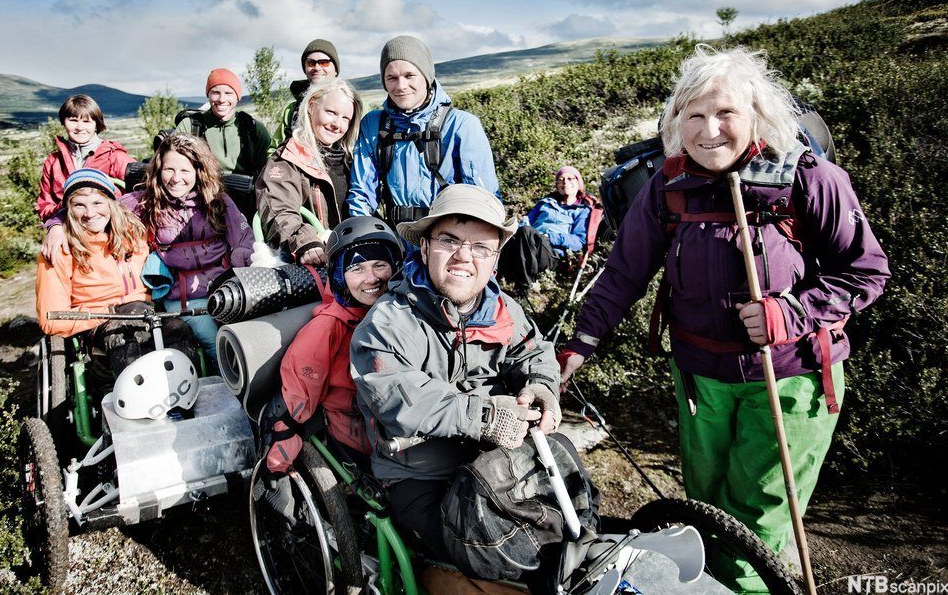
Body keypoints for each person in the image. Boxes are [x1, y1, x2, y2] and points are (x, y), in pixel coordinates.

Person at [558, 45, 890, 592]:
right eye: (694, 115)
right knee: (705, 517)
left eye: (725, 113)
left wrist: (792, 312)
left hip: (790, 378)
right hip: (700, 381)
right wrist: (580, 345)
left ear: (756, 113)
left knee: (755, 529)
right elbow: (622, 274)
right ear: (675, 123)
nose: (709, 130)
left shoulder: (811, 179)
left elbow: (866, 272)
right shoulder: (668, 188)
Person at [350, 184, 562, 567]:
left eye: (481, 246)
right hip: (419, 474)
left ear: (495, 259)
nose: (464, 256)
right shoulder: (387, 323)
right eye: (449, 240)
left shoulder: (502, 308)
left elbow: (533, 352)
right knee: (496, 559)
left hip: (499, 461)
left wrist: (542, 387)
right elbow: (400, 397)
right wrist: (484, 416)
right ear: (426, 247)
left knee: (564, 530)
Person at [265, 216, 403, 475]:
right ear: (339, 275)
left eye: (380, 265)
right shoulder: (327, 328)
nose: (371, 278)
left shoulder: (405, 314)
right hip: (355, 436)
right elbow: (298, 397)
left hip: (401, 429)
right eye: (357, 269)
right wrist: (278, 460)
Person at [36, 168, 196, 380]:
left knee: (179, 329)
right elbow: (51, 319)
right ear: (67, 210)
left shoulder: (133, 233)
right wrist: (108, 311)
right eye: (79, 205)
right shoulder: (59, 249)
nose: (90, 213)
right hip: (100, 322)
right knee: (124, 335)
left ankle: (186, 396)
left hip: (145, 312)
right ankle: (138, 405)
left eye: (98, 203)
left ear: (111, 204)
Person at [123, 134, 254, 364]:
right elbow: (99, 207)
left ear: (198, 171)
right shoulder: (147, 202)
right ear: (158, 169)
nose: (176, 179)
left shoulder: (217, 201)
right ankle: (228, 388)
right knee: (217, 340)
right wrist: (55, 225)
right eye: (169, 169)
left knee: (247, 335)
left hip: (222, 288)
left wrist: (240, 268)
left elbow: (244, 239)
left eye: (185, 171)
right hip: (182, 296)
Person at [346, 35, 501, 230]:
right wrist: (367, 238)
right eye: (391, 78)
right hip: (396, 238)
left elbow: (483, 201)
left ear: (426, 76)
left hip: (449, 238)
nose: (401, 86)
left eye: (410, 75)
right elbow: (361, 193)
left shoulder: (462, 125)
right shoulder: (374, 124)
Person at [256, 79, 363, 264]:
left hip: (350, 258)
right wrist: (306, 242)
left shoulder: (350, 160)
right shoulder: (287, 159)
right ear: (312, 106)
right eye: (331, 112)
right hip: (314, 262)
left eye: (345, 118)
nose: (337, 124)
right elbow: (279, 210)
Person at [497, 165, 602, 292]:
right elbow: (526, 221)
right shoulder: (545, 203)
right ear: (557, 185)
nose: (565, 182)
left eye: (570, 179)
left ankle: (524, 287)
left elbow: (578, 241)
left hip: (550, 253)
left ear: (578, 183)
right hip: (528, 243)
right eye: (561, 179)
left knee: (527, 232)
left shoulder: (582, 210)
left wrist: (549, 237)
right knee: (503, 235)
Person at [36, 94, 134, 221]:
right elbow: (44, 207)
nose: (79, 127)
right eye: (73, 120)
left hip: (110, 235)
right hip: (69, 235)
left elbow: (138, 199)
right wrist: (63, 213)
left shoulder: (115, 157)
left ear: (96, 124)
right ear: (63, 122)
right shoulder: (54, 161)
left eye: (86, 121)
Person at [174, 67, 273, 179]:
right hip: (202, 193)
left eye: (228, 93)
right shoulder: (190, 126)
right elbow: (170, 163)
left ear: (238, 97)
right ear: (208, 95)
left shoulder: (254, 129)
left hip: (245, 194)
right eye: (216, 92)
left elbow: (268, 174)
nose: (221, 99)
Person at [271, 38, 340, 147]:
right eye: (310, 63)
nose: (317, 68)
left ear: (335, 70)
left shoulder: (354, 105)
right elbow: (274, 149)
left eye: (324, 63)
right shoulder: (292, 110)